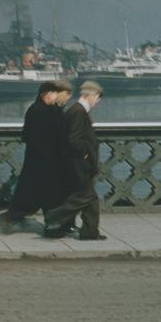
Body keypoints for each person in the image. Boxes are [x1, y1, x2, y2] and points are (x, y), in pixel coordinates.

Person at [0, 79, 73, 232]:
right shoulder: (38, 111)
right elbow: (37, 136)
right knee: (38, 194)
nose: (56, 96)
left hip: (45, 160)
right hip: (42, 160)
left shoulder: (48, 109)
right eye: (53, 93)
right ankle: (17, 218)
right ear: (46, 95)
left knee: (44, 194)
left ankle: (52, 224)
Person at [43, 80, 105, 240]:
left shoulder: (75, 111)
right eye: (97, 98)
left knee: (90, 198)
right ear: (91, 95)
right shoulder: (78, 112)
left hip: (78, 162)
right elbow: (73, 139)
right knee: (85, 197)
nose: (97, 102)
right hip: (80, 163)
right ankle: (55, 215)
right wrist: (85, 154)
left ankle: (90, 232)